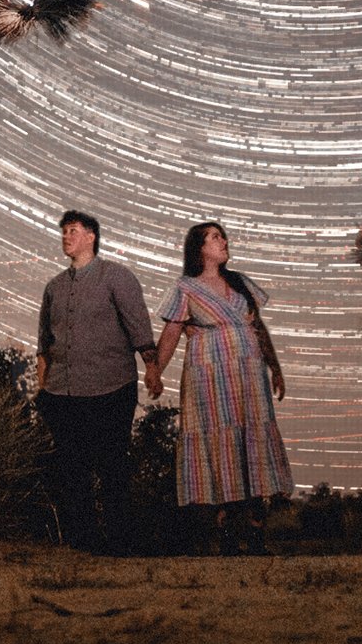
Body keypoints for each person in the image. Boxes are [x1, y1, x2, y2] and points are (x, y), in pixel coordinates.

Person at [148, 220, 293, 553]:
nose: (223, 241)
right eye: (215, 237)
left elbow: (258, 327)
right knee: (219, 444)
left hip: (249, 371)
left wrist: (275, 367)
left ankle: (256, 533)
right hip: (208, 375)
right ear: (200, 248)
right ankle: (225, 534)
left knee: (252, 441)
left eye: (223, 236)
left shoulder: (240, 283)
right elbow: (171, 333)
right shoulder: (186, 288)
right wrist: (156, 370)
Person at [34, 209, 157, 553]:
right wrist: (42, 387)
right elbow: (45, 342)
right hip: (63, 391)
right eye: (63, 232)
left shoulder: (116, 277)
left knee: (112, 464)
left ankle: (120, 542)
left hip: (111, 388)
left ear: (91, 236)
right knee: (72, 469)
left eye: (73, 230)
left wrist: (152, 369)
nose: (66, 237)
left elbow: (139, 327)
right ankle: (82, 541)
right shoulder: (54, 287)